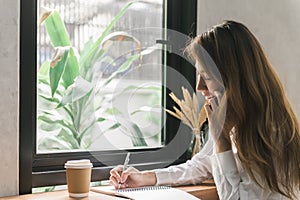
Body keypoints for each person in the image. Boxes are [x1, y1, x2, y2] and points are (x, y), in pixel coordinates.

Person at [110, 20, 300, 200]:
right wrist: (147, 177)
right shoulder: (231, 117)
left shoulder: (271, 131)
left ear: (232, 79)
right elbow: (202, 164)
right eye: (199, 75)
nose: (200, 87)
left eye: (206, 76)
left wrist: (221, 140)